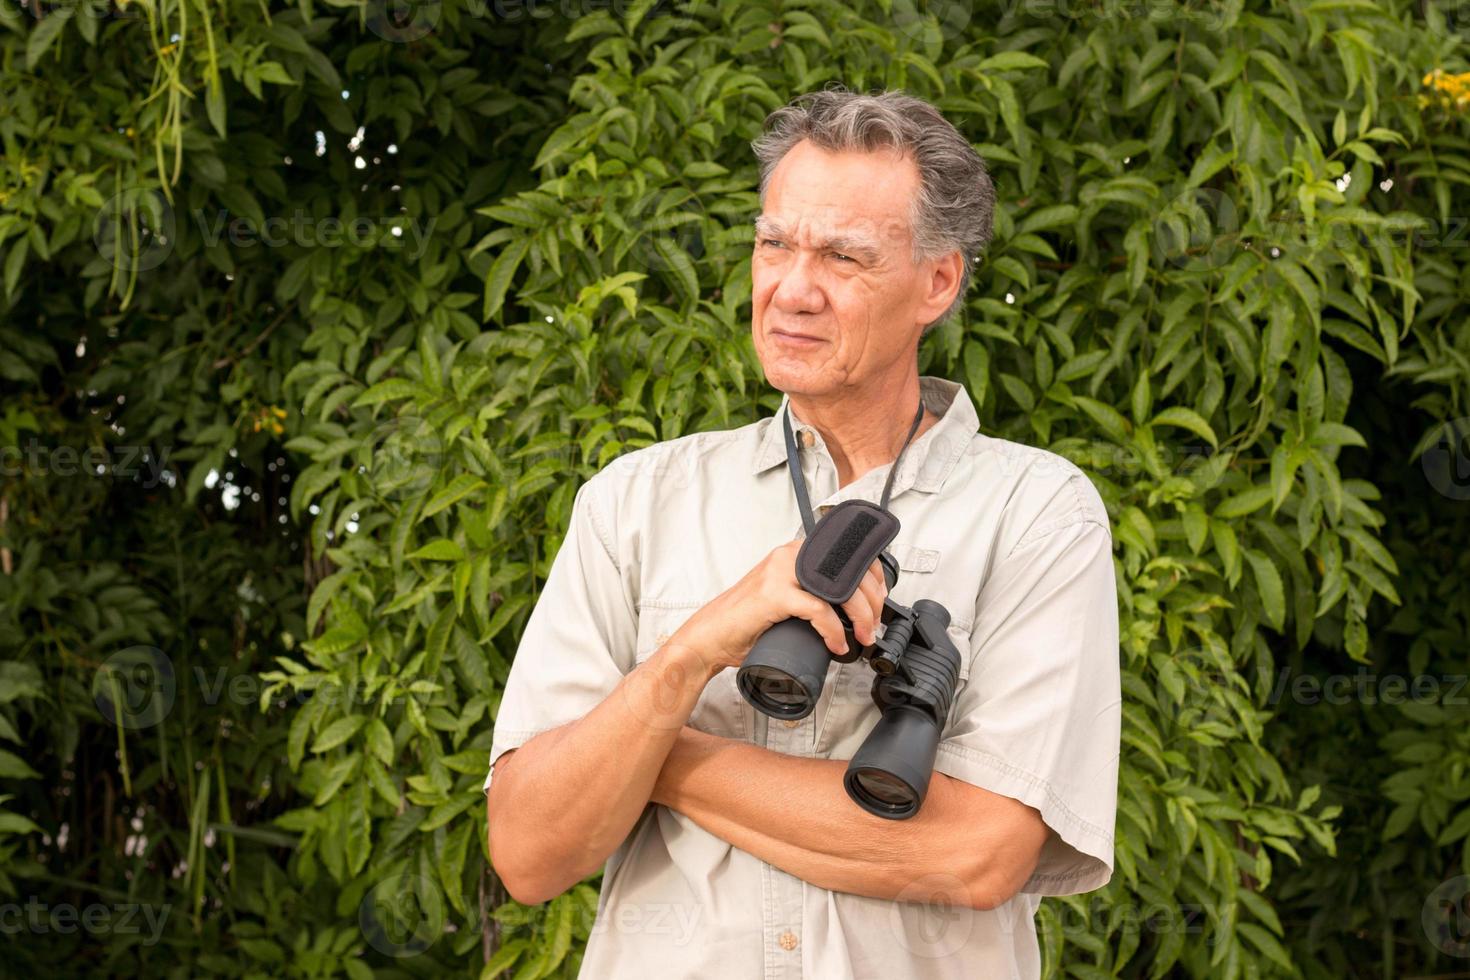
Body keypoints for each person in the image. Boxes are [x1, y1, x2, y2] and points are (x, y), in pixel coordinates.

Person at [484, 88, 1120, 979]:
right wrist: (692, 652)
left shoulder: (1037, 511)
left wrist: (646, 751)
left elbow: (974, 854)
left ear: (938, 281)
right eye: (773, 243)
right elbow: (528, 850)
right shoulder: (634, 498)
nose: (791, 288)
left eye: (844, 257)